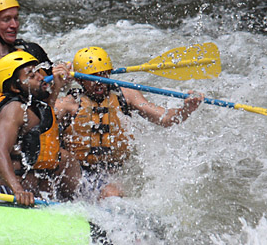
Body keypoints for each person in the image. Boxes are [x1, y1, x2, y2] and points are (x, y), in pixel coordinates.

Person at [55, 46, 204, 198]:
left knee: (112, 194)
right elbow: (40, 122)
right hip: (76, 173)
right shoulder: (67, 104)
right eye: (93, 77)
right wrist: (57, 86)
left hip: (111, 174)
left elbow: (165, 119)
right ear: (79, 79)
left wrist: (186, 108)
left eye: (103, 74)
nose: (99, 81)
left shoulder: (126, 96)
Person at [0, 51, 80, 205]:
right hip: (10, 192)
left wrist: (57, 87)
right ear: (15, 87)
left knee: (65, 157)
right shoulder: (13, 109)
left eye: (38, 72)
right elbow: (0, 152)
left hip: (35, 190)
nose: (41, 77)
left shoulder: (32, 105)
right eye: (31, 76)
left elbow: (44, 125)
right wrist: (18, 190)